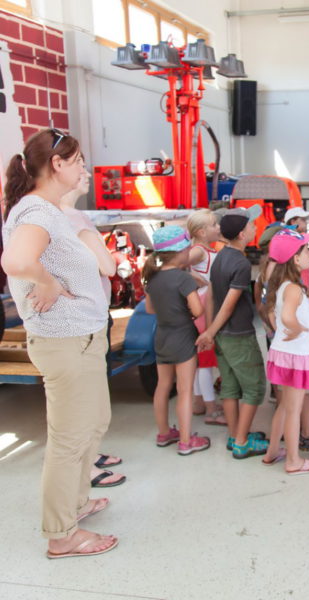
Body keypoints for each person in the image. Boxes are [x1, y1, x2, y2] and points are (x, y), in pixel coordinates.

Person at [1, 128, 118, 558]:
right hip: (65, 340)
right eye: (79, 160)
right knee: (69, 439)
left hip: (82, 337)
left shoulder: (45, 208)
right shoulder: (37, 211)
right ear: (57, 165)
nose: (84, 167)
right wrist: (46, 281)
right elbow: (15, 261)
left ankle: (77, 503)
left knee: (95, 423)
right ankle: (61, 534)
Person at [60, 171, 126, 488]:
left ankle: (92, 455)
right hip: (83, 319)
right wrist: (93, 240)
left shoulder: (63, 215)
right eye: (78, 165)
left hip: (85, 316)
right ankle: (86, 469)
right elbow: (108, 267)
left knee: (89, 397)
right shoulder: (71, 219)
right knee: (87, 398)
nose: (86, 174)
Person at [197, 206, 268, 459]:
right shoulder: (240, 263)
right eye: (251, 226)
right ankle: (241, 442)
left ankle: (235, 435)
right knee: (254, 387)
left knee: (229, 386)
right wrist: (208, 333)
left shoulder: (220, 258)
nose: (254, 228)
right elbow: (228, 305)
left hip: (222, 335)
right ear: (241, 234)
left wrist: (211, 331)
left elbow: (212, 300)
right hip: (238, 333)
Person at [262, 228, 309, 474]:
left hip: (285, 353)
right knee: (294, 410)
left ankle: (271, 453)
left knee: (284, 407)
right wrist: (299, 328)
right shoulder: (293, 289)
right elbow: (287, 317)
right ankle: (293, 461)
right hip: (296, 356)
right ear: (294, 258)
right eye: (305, 250)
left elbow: (280, 317)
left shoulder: (285, 284)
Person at [142, 225, 210, 456]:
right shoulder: (183, 278)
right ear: (181, 252)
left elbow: (150, 309)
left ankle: (163, 433)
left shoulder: (152, 278)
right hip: (183, 337)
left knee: (163, 386)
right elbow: (198, 310)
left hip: (161, 336)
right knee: (184, 389)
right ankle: (185, 440)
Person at [186, 209, 226, 425]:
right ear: (202, 232)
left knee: (202, 360)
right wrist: (199, 280)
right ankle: (211, 409)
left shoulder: (205, 249)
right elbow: (177, 263)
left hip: (204, 303)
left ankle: (200, 402)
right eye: (214, 225)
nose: (218, 228)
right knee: (206, 361)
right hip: (204, 306)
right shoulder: (199, 250)